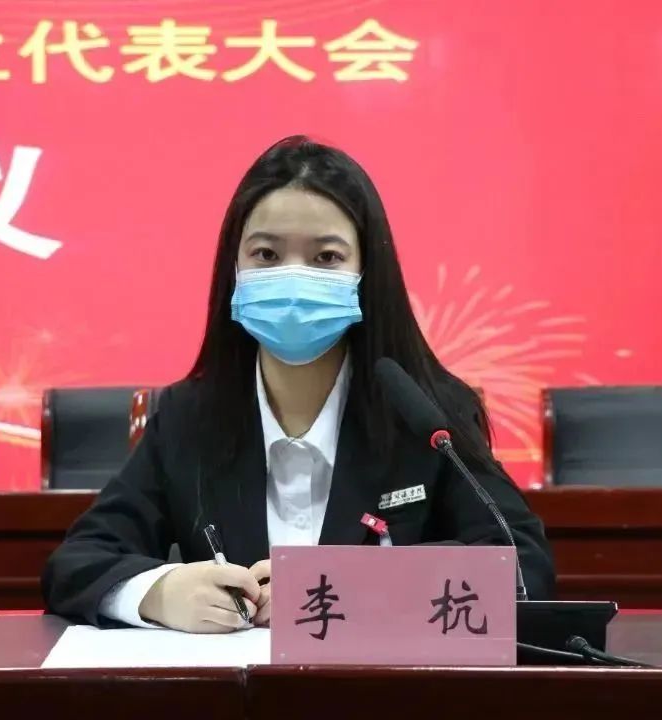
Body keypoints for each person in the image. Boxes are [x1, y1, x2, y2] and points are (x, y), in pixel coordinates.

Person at [42, 135, 555, 632]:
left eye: (326, 257)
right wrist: (158, 592)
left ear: (366, 272)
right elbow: (77, 562)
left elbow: (522, 567)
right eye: (266, 255)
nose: (292, 277)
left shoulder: (426, 414)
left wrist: (342, 588)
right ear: (234, 269)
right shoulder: (189, 416)